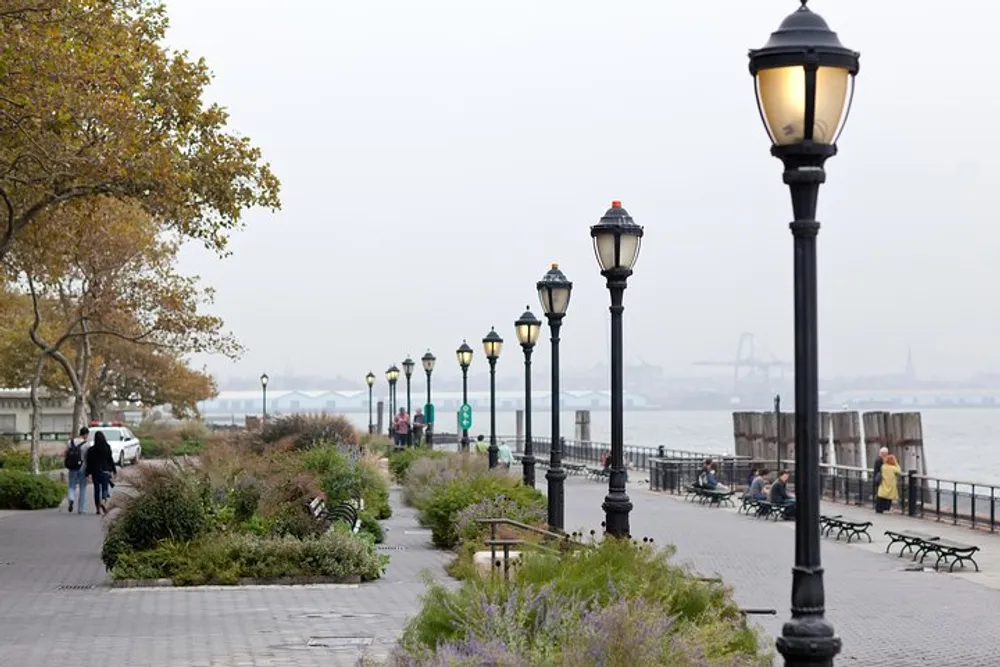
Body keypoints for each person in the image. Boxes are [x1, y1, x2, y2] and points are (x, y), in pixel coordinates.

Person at [85, 430, 116, 515]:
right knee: (105, 488)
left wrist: (87, 473)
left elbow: (89, 463)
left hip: (95, 472)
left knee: (96, 490)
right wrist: (114, 470)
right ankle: (104, 502)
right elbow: (110, 459)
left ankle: (97, 509)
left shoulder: (91, 450)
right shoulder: (107, 447)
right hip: (105, 471)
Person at [64, 426, 89, 513]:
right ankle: (81, 509)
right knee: (83, 487)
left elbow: (66, 453)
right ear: (86, 434)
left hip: (72, 466)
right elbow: (87, 457)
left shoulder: (70, 442)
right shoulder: (86, 444)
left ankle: (71, 498)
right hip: (82, 466)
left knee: (72, 485)